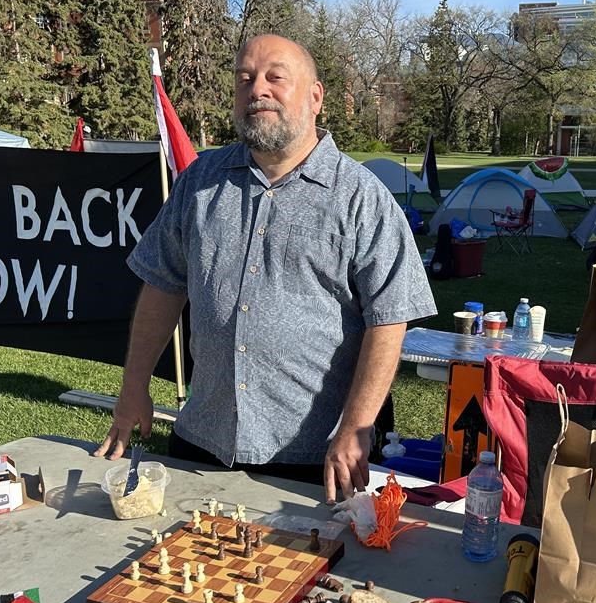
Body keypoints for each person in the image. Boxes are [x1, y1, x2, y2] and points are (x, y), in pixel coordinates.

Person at [93, 34, 437, 503]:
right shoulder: (199, 182)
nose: (258, 90)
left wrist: (356, 426)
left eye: (276, 77)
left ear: (315, 97)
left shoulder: (361, 197)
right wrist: (133, 387)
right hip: (203, 442)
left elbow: (389, 318)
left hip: (312, 458)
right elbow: (162, 286)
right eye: (245, 78)